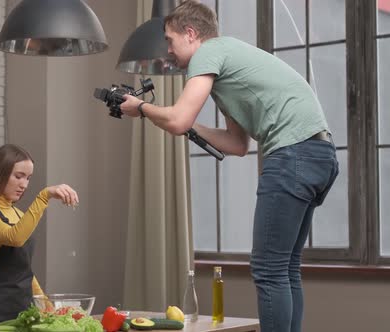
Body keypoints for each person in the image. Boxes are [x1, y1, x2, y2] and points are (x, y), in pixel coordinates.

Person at [119, 1, 339, 332]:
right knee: (285, 267)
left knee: (268, 268)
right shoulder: (230, 60)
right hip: (319, 154)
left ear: (191, 34)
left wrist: (144, 108)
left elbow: (178, 119)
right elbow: (237, 144)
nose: (167, 50)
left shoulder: (209, 53)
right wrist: (176, 120)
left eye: (169, 39)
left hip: (293, 155)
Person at [0, 144, 79, 324]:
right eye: (18, 176)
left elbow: (24, 270)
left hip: (25, 308)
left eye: (28, 178)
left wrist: (47, 306)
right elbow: (15, 238)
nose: (24, 185)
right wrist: (44, 196)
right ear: (0, 174)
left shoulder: (20, 215)